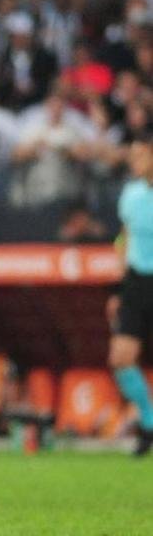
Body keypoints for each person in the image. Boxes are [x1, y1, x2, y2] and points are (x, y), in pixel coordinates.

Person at [109, 134, 153, 456]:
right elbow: (124, 241)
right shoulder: (131, 194)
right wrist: (118, 290)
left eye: (140, 155)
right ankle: (149, 423)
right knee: (121, 358)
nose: (133, 161)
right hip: (138, 282)